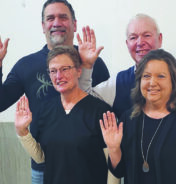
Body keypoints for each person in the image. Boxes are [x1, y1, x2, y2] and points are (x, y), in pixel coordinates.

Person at [0, 0, 110, 184]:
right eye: (50, 18)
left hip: (88, 168)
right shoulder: (26, 66)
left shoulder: (93, 62)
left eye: (63, 17)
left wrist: (88, 66)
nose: (57, 23)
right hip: (43, 168)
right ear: (43, 26)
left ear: (74, 25)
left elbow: (104, 112)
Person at [100, 49, 176, 184]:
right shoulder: (128, 119)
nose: (152, 82)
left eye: (161, 76)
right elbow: (119, 171)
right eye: (146, 76)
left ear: (173, 81)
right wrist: (114, 148)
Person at [15, 46, 112, 184]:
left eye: (64, 69)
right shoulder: (46, 111)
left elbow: (112, 163)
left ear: (79, 71)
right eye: (53, 71)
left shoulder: (100, 111)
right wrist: (22, 131)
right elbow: (41, 157)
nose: (59, 76)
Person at [79, 13, 176, 119]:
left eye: (147, 35)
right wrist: (87, 66)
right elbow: (85, 101)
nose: (140, 42)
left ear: (159, 39)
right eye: (133, 37)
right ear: (127, 44)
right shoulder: (119, 82)